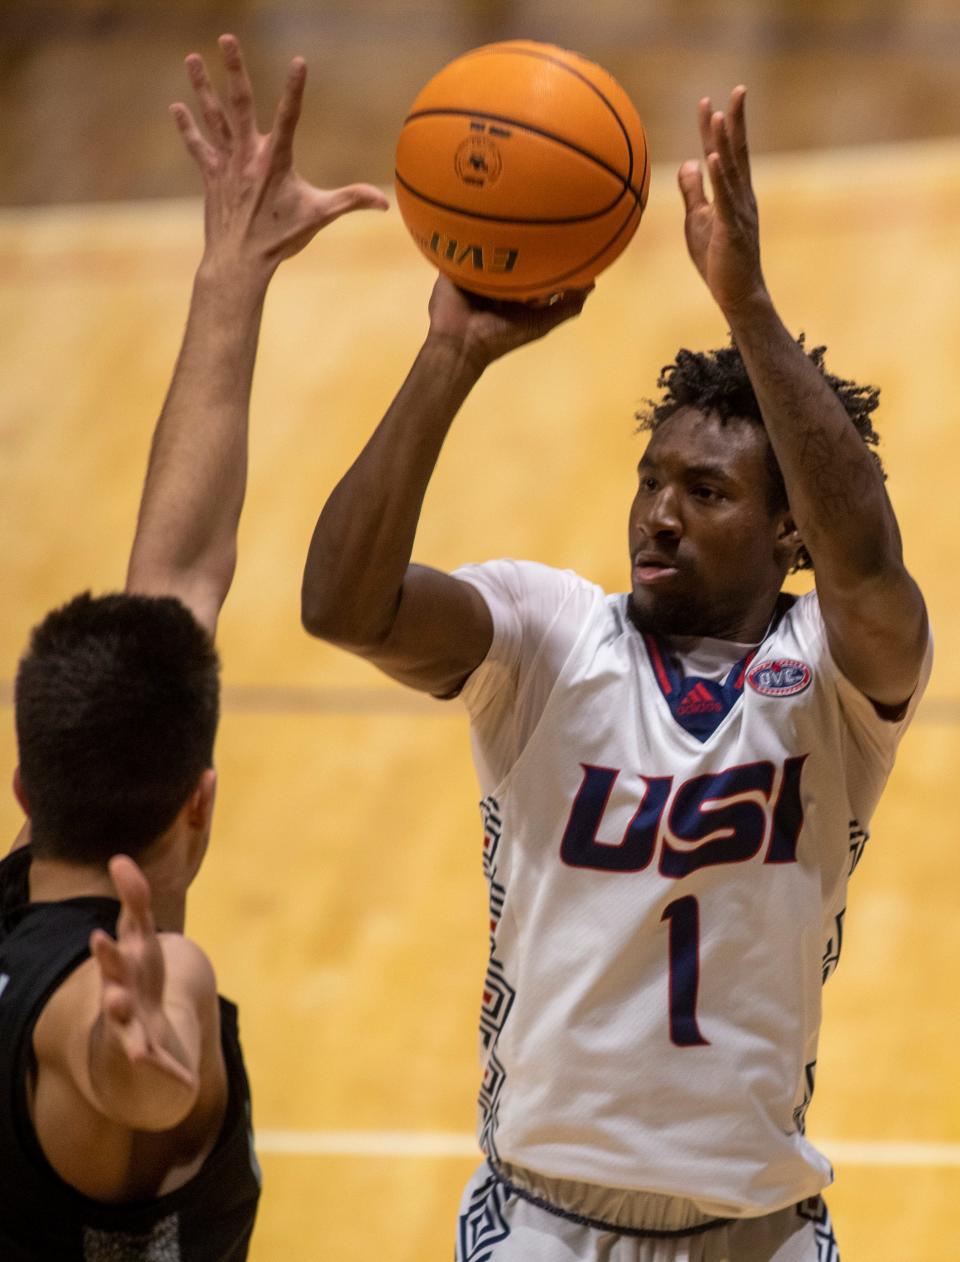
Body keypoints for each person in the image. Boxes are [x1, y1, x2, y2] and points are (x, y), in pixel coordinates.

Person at [301, 87, 931, 1260]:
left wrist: (749, 308)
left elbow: (871, 560)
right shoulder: (548, 636)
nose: (660, 513)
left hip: (759, 1228)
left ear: (790, 531)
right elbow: (342, 604)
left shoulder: (839, 673)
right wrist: (449, 355)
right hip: (546, 1221)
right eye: (653, 479)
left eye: (708, 492)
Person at [0, 35, 386, 1261]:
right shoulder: (127, 988)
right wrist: (143, 1062)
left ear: (25, 783)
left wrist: (235, 272)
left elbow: (176, 577)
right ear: (199, 802)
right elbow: (128, 1079)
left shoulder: (22, 912)